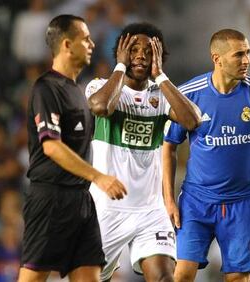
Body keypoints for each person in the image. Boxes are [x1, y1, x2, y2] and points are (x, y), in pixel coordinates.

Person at [163, 28, 250, 282]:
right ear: (217, 58)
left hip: (242, 203)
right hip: (196, 202)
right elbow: (169, 146)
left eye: (248, 53)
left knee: (237, 278)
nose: (246, 61)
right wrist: (168, 199)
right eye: (238, 55)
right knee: (182, 274)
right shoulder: (188, 94)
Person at [85, 22, 202, 282]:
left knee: (164, 278)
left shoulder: (160, 97)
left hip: (150, 210)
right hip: (107, 209)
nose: (140, 55)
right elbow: (102, 107)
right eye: (133, 49)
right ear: (121, 53)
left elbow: (192, 120)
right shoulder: (99, 86)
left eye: (149, 51)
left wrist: (161, 77)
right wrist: (119, 67)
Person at [18, 14, 127, 282]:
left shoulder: (77, 90)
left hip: (81, 200)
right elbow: (52, 147)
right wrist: (98, 176)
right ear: (67, 45)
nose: (92, 43)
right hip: (51, 200)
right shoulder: (47, 88)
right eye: (85, 38)